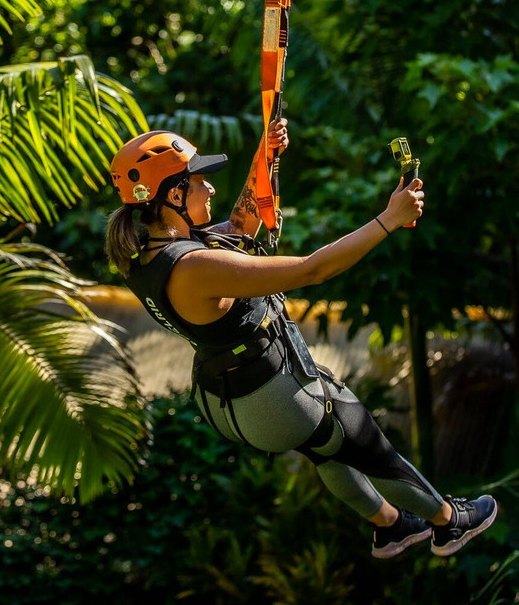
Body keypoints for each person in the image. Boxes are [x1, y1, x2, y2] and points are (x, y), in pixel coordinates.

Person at [105, 121, 497, 560]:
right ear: (173, 195)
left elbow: (239, 225)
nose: (211, 188)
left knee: (328, 449)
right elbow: (312, 269)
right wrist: (389, 220)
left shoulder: (146, 256)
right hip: (272, 395)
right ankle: (449, 522)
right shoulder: (194, 268)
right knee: (366, 444)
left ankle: (389, 526)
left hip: (230, 397)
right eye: (198, 181)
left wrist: (265, 154)